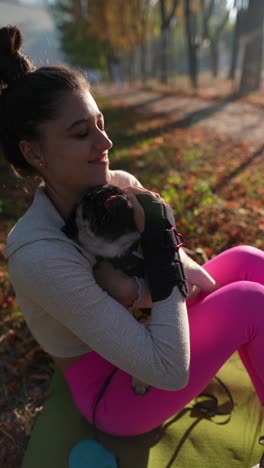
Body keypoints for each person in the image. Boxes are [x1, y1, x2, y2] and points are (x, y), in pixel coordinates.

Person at [1, 25, 264, 443]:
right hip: (116, 393)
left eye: (101, 123)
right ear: (34, 152)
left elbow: (193, 278)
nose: (105, 141)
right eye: (81, 133)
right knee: (251, 304)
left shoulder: (118, 182)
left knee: (248, 259)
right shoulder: (39, 254)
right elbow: (168, 370)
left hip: (151, 333)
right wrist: (159, 240)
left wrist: (157, 274)